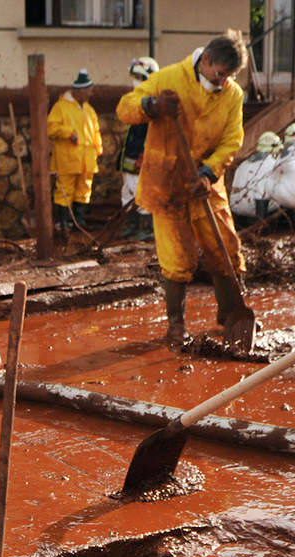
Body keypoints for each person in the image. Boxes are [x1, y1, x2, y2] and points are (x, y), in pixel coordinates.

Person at [118, 32, 251, 345]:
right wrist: (151, 105)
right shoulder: (169, 79)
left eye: (230, 76)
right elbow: (125, 108)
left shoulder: (232, 95)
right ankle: (176, 324)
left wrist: (208, 172)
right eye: (220, 74)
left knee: (226, 248)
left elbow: (232, 140)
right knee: (176, 257)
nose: (223, 82)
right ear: (205, 61)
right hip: (168, 185)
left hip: (205, 183)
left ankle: (229, 313)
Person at [48, 69, 103, 234]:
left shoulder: (89, 109)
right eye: (88, 91)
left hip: (87, 160)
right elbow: (51, 128)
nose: (90, 94)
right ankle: (64, 223)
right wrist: (67, 132)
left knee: (84, 190)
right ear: (79, 91)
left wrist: (97, 150)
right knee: (64, 190)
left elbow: (96, 132)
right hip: (68, 159)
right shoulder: (60, 107)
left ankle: (79, 222)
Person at [120, 57, 160, 239]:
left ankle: (146, 228)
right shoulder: (134, 102)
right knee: (127, 191)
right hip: (130, 154)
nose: (136, 81)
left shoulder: (153, 106)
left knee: (141, 191)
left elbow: (152, 135)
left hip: (142, 155)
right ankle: (131, 224)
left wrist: (144, 154)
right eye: (135, 76)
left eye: (140, 77)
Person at [229, 132, 281, 221]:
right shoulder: (272, 164)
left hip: (236, 208)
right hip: (257, 210)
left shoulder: (244, 164)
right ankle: (262, 225)